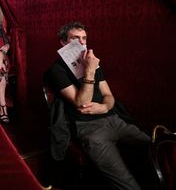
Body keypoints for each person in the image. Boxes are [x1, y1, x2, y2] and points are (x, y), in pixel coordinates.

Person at [44, 22, 150, 190]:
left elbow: (109, 96)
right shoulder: (56, 70)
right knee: (126, 182)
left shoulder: (91, 62)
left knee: (158, 149)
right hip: (89, 129)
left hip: (114, 120)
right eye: (75, 39)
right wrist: (90, 71)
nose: (81, 43)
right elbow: (81, 102)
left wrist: (105, 107)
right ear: (63, 42)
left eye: (84, 39)